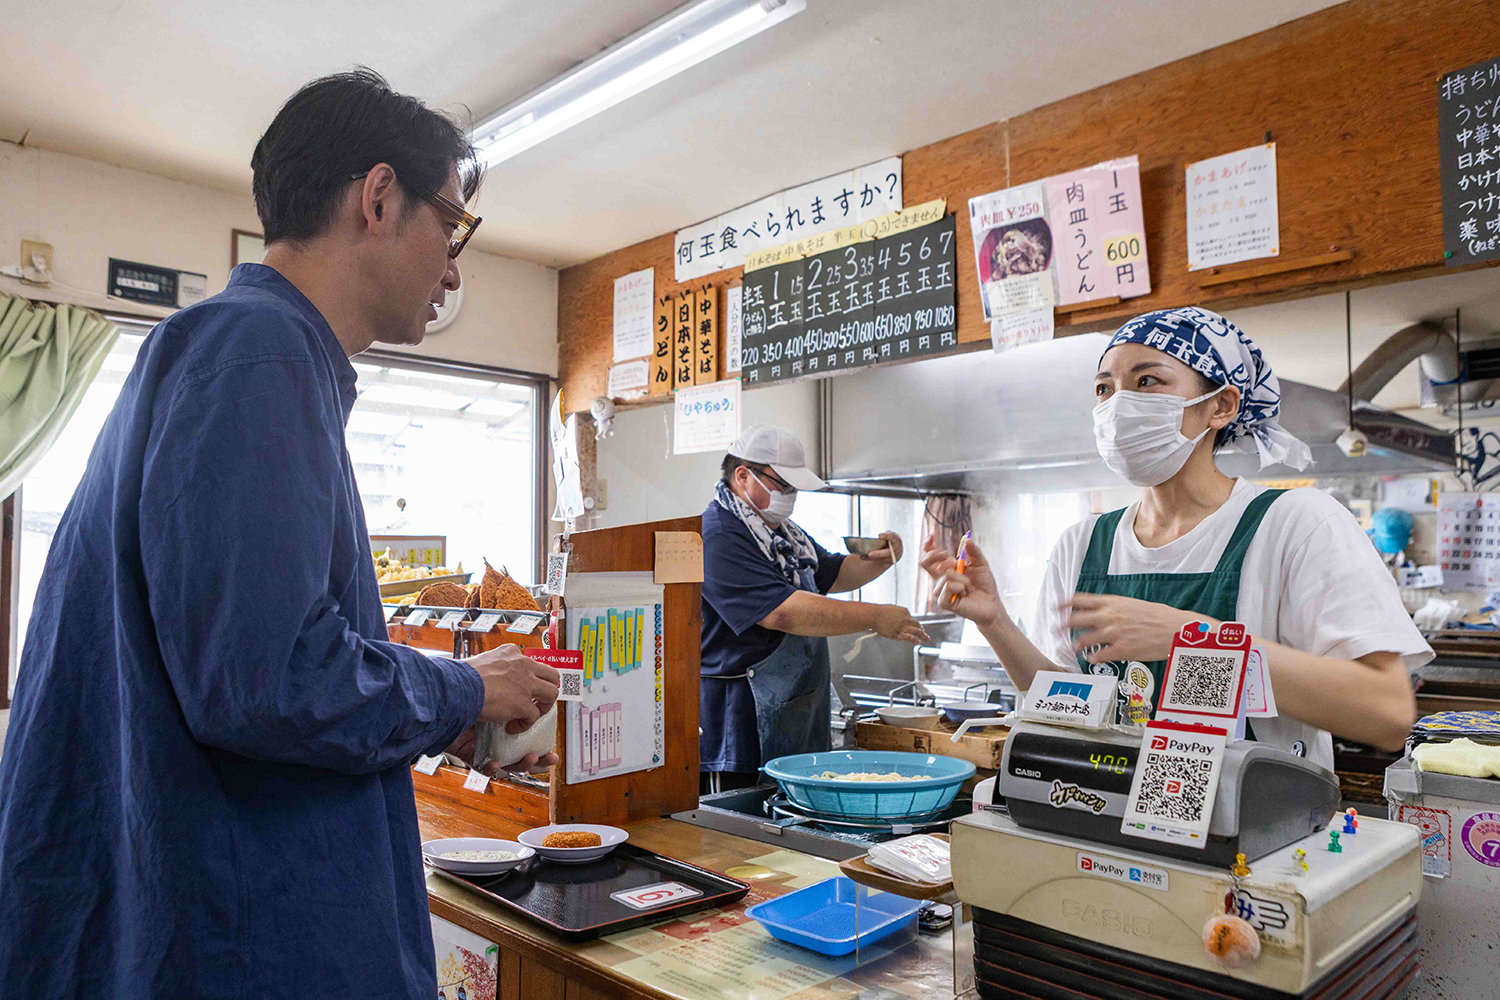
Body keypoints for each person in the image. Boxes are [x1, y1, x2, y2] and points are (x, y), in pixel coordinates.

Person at [0, 69, 560, 997]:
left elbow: (239, 664)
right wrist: (462, 686)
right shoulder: (254, 353)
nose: (456, 268)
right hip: (233, 936)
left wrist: (435, 724)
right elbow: (265, 681)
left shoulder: (234, 353)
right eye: (451, 227)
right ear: (378, 198)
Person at [923, 307, 1428, 767]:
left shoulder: (1297, 524)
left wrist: (1194, 640)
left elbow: (1386, 714)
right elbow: (1065, 703)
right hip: (1106, 818)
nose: (1119, 405)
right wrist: (995, 622)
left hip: (1257, 844)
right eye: (1104, 389)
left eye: (1148, 381)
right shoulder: (1082, 544)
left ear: (1221, 406)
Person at [700, 425, 928, 792]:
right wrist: (876, 616)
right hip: (737, 725)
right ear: (742, 476)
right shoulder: (719, 534)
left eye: (794, 488)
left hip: (789, 713)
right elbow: (782, 612)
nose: (790, 495)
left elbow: (832, 574)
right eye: (782, 484)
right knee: (737, 833)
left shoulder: (782, 534)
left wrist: (883, 558)